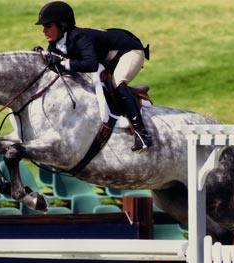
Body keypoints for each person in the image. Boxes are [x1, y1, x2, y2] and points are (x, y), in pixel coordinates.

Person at [35, 1, 152, 151]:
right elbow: (56, 63)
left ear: (62, 25)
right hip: (108, 56)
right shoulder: (56, 43)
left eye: (48, 26)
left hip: (129, 50)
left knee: (118, 82)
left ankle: (142, 134)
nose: (44, 31)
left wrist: (64, 62)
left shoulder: (80, 37)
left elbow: (91, 65)